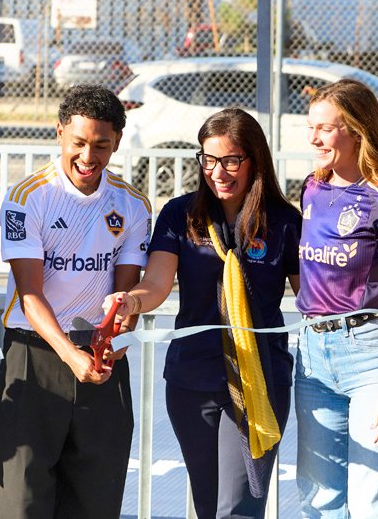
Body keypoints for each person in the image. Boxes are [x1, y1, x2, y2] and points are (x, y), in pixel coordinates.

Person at [103, 108, 300, 518]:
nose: (218, 172)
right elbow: (156, 284)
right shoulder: (181, 214)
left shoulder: (282, 221)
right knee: (209, 507)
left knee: (237, 509)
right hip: (192, 379)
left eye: (231, 161)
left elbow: (311, 297)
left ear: (254, 160)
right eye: (209, 160)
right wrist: (131, 301)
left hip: (258, 379)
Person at [0, 84, 151, 519]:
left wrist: (118, 332)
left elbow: (126, 293)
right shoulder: (28, 197)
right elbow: (30, 295)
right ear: (60, 132)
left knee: (95, 504)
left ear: (117, 140)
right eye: (78, 142)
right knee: (22, 504)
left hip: (100, 359)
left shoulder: (133, 204)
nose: (88, 156)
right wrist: (69, 353)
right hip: (35, 356)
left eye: (101, 145)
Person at [293, 79, 378, 518]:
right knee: (320, 503)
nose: (314, 139)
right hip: (313, 357)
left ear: (357, 131)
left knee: (376, 507)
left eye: (325, 129)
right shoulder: (312, 188)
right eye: (312, 127)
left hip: (373, 357)